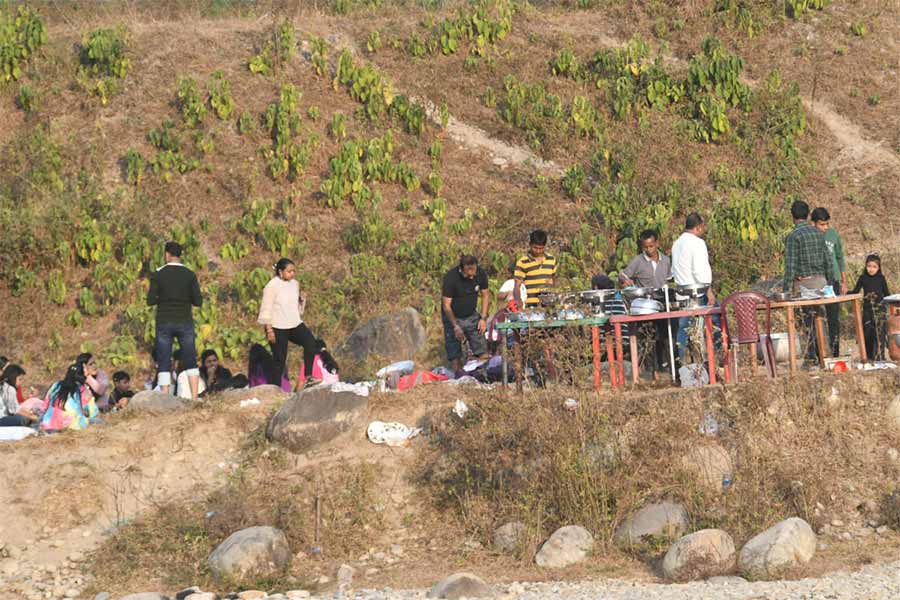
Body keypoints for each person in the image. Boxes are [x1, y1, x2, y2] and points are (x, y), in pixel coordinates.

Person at [147, 241, 202, 401]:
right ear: (180, 255)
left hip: (164, 321)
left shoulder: (158, 274)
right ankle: (194, 396)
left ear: (167, 254)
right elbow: (198, 301)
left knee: (164, 359)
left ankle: (165, 398)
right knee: (190, 358)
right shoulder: (190, 274)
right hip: (185, 321)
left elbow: (150, 300)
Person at [258, 258, 320, 389]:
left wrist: (302, 300)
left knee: (310, 343)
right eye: (289, 271)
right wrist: (269, 330)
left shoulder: (295, 284)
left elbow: (295, 308)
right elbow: (266, 309)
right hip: (277, 327)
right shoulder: (271, 286)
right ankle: (275, 389)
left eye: (293, 271)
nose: (292, 274)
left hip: (294, 323)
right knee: (279, 360)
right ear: (280, 272)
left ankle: (308, 376)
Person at [783, 200, 834, 360]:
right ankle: (825, 356)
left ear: (793, 216)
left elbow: (790, 266)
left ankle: (811, 358)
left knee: (806, 322)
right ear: (807, 215)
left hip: (804, 286)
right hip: (821, 283)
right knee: (821, 320)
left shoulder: (793, 236)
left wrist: (786, 290)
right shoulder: (818, 233)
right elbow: (828, 261)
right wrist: (830, 284)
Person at [619, 229, 675, 370]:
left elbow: (670, 280)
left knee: (666, 338)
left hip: (663, 304)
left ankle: (667, 366)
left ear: (657, 243)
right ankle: (650, 369)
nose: (649, 250)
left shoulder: (666, 261)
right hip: (645, 307)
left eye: (651, 246)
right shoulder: (638, 261)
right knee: (648, 340)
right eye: (645, 247)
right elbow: (623, 275)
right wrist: (625, 281)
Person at [671, 213, 717, 362]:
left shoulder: (677, 243)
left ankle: (683, 363)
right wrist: (708, 291)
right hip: (697, 293)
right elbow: (700, 271)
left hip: (681, 293)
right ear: (698, 227)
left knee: (684, 329)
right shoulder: (697, 243)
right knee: (716, 321)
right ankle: (717, 358)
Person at [441, 255, 490, 371]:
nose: (472, 273)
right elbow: (446, 306)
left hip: (471, 315)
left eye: (474, 269)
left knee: (482, 349)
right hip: (452, 316)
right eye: (469, 270)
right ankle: (459, 378)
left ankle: (485, 376)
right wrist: (456, 326)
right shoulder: (451, 278)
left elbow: (485, 295)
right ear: (461, 268)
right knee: (455, 354)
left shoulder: (480, 274)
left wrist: (483, 318)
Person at [812, 207, 847, 357]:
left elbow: (839, 257)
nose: (825, 227)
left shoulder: (832, 234)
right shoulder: (810, 236)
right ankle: (818, 354)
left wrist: (843, 281)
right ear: (813, 223)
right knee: (817, 317)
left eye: (827, 224)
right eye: (822, 224)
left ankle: (835, 353)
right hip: (817, 281)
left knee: (833, 318)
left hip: (833, 280)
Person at [40, 362, 99, 431]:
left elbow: (45, 405)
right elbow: (93, 412)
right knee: (97, 421)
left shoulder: (56, 385)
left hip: (49, 423)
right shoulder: (82, 389)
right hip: (72, 424)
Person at [852, 254, 890, 362]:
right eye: (869, 266)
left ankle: (880, 355)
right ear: (865, 266)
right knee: (868, 332)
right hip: (868, 309)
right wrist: (846, 293)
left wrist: (892, 304)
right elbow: (855, 291)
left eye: (874, 267)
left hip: (880, 309)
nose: (871, 269)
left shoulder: (881, 278)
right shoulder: (862, 278)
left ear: (878, 267)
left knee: (880, 332)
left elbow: (887, 293)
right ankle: (869, 356)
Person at [515, 229, 557, 307]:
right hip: (531, 305)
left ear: (544, 246)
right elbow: (517, 285)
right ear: (530, 245)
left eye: (540, 248)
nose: (537, 251)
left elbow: (554, 281)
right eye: (535, 248)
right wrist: (518, 300)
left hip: (549, 305)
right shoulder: (522, 262)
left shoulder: (551, 260)